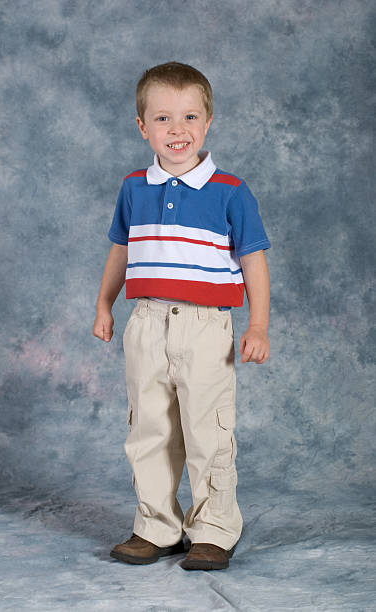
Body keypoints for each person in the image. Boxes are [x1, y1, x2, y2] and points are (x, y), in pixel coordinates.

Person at [93, 61, 271, 571]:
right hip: (146, 324)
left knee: (206, 430)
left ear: (208, 122)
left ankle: (213, 528)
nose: (178, 130)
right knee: (149, 427)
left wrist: (257, 325)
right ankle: (156, 526)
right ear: (142, 126)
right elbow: (120, 252)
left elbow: (253, 260)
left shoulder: (230, 191)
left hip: (204, 327)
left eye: (190, 117)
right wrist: (104, 304)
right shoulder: (133, 187)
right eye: (164, 118)